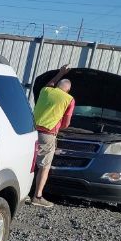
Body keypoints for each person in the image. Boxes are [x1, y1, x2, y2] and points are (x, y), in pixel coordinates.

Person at [29, 65, 74, 208]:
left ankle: (23, 191)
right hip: (48, 134)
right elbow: (66, 123)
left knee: (28, 162)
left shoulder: (45, 90)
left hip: (31, 131)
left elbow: (51, 83)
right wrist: (59, 127)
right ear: (68, 89)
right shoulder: (69, 99)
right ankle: (37, 196)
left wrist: (61, 72)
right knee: (44, 166)